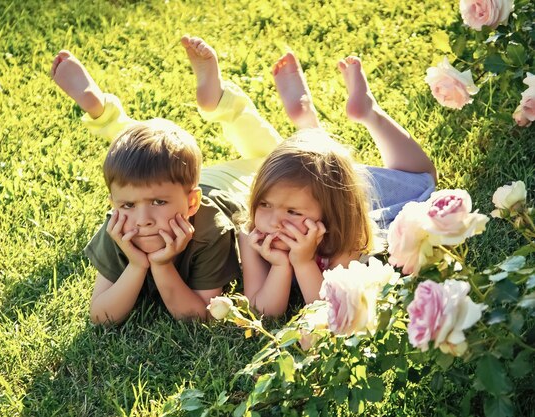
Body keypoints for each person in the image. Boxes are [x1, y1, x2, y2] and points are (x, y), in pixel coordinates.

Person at [185, 37, 436, 316]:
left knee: (423, 180)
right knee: (317, 170)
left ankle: (368, 111)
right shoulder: (252, 234)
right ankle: (307, 123)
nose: (274, 220)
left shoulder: (343, 237)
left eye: (292, 211)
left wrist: (304, 263)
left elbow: (330, 307)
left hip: (352, 196)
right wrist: (281, 266)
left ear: (329, 215)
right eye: (265, 204)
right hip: (319, 186)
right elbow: (263, 310)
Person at [51, 46, 276, 324]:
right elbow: (100, 316)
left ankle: (222, 103)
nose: (143, 220)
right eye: (128, 205)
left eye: (158, 203)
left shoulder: (210, 229)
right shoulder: (119, 227)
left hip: (231, 185)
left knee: (272, 156)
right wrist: (136, 265)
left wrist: (162, 265)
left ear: (192, 204)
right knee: (141, 162)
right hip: (178, 185)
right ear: (114, 203)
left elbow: (201, 317)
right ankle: (106, 115)